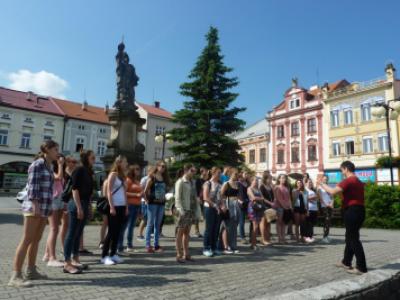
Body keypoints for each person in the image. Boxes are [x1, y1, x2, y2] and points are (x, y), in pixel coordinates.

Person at [8, 140, 59, 288]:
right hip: (34, 208)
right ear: (47, 150)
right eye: (55, 149)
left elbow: (49, 189)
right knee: (27, 239)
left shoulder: (49, 166)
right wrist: (36, 206)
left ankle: (31, 270)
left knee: (36, 240)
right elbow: (32, 188)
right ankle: (15, 275)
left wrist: (48, 208)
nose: (57, 152)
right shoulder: (37, 165)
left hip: (43, 208)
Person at [317, 161, 367, 275]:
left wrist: (321, 183)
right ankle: (346, 262)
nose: (342, 173)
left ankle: (362, 267)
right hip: (359, 211)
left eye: (342, 170)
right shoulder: (358, 181)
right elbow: (345, 194)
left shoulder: (349, 180)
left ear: (346, 169)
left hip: (352, 211)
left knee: (353, 239)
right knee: (350, 237)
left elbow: (332, 192)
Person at [63, 150, 95, 274]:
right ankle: (67, 263)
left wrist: (89, 207)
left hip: (85, 203)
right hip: (76, 203)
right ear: (86, 158)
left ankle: (75, 259)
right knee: (71, 233)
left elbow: (89, 192)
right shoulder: (79, 170)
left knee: (78, 233)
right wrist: (79, 207)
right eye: (92, 157)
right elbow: (74, 189)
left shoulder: (88, 171)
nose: (94, 159)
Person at [101, 155, 128, 265]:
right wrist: (111, 206)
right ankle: (104, 256)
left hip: (121, 206)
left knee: (117, 231)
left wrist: (126, 207)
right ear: (119, 163)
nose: (126, 164)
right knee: (111, 231)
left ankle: (113, 253)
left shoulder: (122, 176)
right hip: (114, 206)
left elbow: (124, 193)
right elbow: (108, 192)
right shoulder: (113, 174)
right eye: (125, 162)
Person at [43, 155, 65, 267]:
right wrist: (60, 165)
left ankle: (47, 254)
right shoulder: (51, 170)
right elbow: (59, 178)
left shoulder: (57, 170)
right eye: (60, 159)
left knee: (55, 229)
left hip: (60, 200)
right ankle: (51, 257)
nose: (62, 160)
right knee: (54, 228)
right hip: (54, 200)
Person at [144, 161, 170, 253]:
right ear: (157, 166)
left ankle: (156, 244)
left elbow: (165, 190)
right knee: (150, 224)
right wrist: (147, 200)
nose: (163, 168)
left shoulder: (164, 178)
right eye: (162, 166)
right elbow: (145, 190)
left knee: (157, 225)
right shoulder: (152, 177)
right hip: (152, 203)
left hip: (161, 203)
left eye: (164, 167)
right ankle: (148, 245)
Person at [174, 164, 197, 263]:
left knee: (187, 233)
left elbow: (193, 196)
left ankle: (186, 254)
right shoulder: (180, 182)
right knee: (180, 233)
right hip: (183, 210)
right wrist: (181, 210)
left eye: (194, 171)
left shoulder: (192, 182)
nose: (194, 172)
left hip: (190, 209)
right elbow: (177, 198)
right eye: (192, 170)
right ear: (186, 170)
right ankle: (178, 255)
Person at [119, 164, 142, 252]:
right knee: (124, 226)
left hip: (136, 205)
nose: (138, 170)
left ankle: (129, 245)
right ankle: (120, 245)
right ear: (132, 171)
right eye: (136, 169)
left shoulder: (137, 181)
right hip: (130, 205)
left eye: (139, 169)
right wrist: (136, 194)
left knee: (131, 226)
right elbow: (124, 192)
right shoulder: (128, 180)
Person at [202, 167, 222, 257]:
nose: (220, 175)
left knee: (216, 229)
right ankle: (206, 248)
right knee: (209, 229)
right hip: (209, 208)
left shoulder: (219, 184)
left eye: (220, 173)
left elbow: (221, 197)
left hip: (217, 209)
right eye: (218, 173)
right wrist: (214, 205)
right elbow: (205, 197)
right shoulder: (207, 183)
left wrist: (222, 205)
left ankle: (214, 247)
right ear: (213, 173)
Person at [220, 168, 240, 254]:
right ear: (230, 174)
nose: (237, 176)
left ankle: (233, 245)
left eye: (237, 174)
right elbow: (221, 195)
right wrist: (223, 205)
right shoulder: (226, 184)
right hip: (228, 204)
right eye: (235, 174)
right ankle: (226, 246)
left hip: (236, 205)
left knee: (234, 226)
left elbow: (238, 195)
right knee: (226, 226)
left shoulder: (237, 184)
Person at [60, 156, 77, 249]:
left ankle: (67, 246)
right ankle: (63, 247)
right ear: (67, 162)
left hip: (71, 200)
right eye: (72, 162)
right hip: (65, 200)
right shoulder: (65, 173)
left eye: (75, 162)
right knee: (65, 225)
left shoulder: (73, 172)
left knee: (69, 225)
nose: (74, 164)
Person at [247, 176, 267, 250]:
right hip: (252, 208)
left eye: (257, 181)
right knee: (254, 226)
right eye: (255, 180)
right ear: (251, 181)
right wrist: (260, 198)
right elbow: (253, 198)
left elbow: (263, 198)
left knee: (257, 226)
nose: (256, 182)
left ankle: (254, 243)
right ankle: (253, 244)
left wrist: (260, 198)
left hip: (259, 208)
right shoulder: (249, 188)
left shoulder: (258, 189)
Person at [274, 174, 292, 244]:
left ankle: (283, 238)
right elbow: (279, 199)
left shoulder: (286, 188)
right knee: (279, 222)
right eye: (282, 178)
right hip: (280, 207)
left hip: (286, 207)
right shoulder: (277, 187)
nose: (284, 179)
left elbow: (289, 198)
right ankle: (279, 238)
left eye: (284, 178)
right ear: (279, 179)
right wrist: (284, 207)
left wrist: (290, 206)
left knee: (284, 223)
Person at [259, 172, 275, 244]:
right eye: (270, 178)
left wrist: (273, 202)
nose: (271, 180)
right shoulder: (262, 187)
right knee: (264, 223)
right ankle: (263, 239)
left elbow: (273, 196)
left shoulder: (270, 187)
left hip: (270, 206)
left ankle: (267, 238)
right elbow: (262, 198)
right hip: (264, 206)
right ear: (265, 179)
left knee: (269, 223)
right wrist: (270, 203)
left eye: (271, 178)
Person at [192, 167, 208, 238]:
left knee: (206, 215)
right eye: (205, 171)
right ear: (202, 172)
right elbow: (196, 190)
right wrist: (198, 198)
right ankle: (196, 231)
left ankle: (206, 230)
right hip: (200, 199)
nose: (207, 172)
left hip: (205, 199)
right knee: (197, 216)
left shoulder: (207, 180)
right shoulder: (198, 180)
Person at [318, 175, 334, 243]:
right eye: (324, 179)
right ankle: (324, 237)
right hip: (324, 206)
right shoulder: (319, 188)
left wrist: (331, 204)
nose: (325, 180)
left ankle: (326, 236)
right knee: (326, 220)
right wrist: (326, 204)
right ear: (322, 180)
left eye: (326, 179)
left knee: (328, 221)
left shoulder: (329, 187)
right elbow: (320, 198)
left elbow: (332, 197)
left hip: (329, 206)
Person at [237, 172, 250, 244]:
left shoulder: (248, 183)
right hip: (241, 204)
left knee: (251, 220)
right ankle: (242, 237)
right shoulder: (239, 183)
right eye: (245, 174)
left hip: (248, 203)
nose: (246, 175)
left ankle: (252, 236)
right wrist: (239, 200)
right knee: (241, 221)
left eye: (247, 174)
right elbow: (237, 193)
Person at [99, 178, 109, 249]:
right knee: (105, 222)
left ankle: (107, 241)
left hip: (111, 203)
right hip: (106, 203)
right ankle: (102, 241)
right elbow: (105, 195)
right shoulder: (106, 181)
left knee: (110, 224)